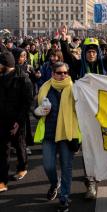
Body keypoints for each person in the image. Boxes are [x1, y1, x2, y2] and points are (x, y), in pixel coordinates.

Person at [60, 23, 107, 200]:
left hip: (102, 115)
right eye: (88, 51)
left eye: (94, 51)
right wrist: (64, 39)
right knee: (87, 148)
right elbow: (67, 56)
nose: (91, 54)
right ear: (84, 53)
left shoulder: (105, 64)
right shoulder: (78, 66)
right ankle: (91, 183)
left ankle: (101, 173)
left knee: (100, 147)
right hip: (82, 115)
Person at [34, 61, 81, 212]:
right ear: (53, 74)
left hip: (68, 135)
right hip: (49, 134)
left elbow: (82, 112)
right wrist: (38, 111)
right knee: (48, 166)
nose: (63, 75)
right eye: (59, 73)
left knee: (66, 167)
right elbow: (34, 107)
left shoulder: (75, 89)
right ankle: (55, 183)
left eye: (65, 73)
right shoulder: (44, 88)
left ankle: (64, 197)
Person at [0, 51, 33, 192]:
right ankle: (2, 181)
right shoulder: (1, 77)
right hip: (2, 119)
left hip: (17, 120)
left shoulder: (23, 79)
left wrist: (18, 122)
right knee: (3, 150)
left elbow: (27, 103)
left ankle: (22, 167)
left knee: (19, 145)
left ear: (5, 64)